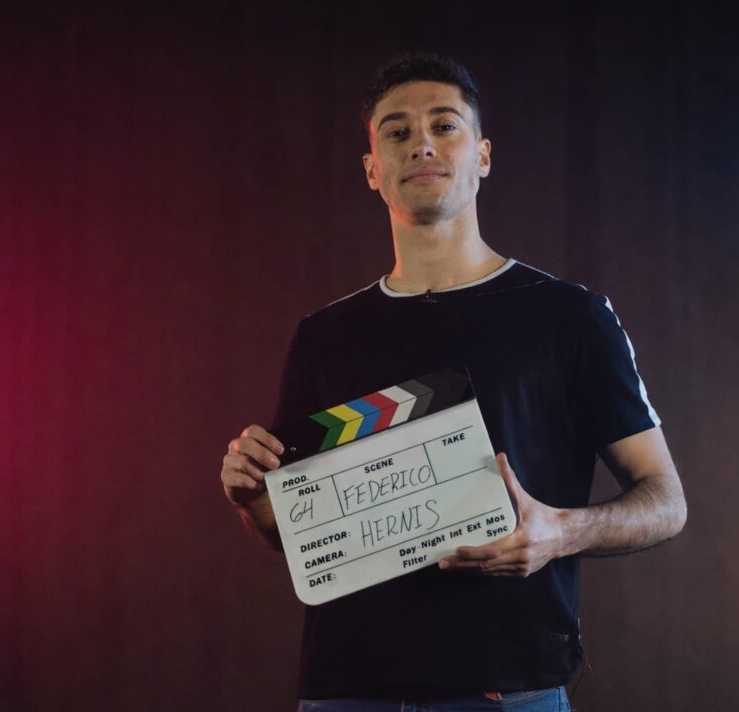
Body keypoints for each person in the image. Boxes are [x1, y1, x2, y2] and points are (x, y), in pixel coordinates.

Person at [220, 53, 687, 712]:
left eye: (445, 125)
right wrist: (250, 496)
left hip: (508, 686)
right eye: (398, 132)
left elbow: (666, 501)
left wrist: (560, 531)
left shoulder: (569, 316)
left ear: (484, 155)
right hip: (348, 689)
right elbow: (292, 530)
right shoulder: (325, 335)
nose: (423, 144)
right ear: (372, 170)